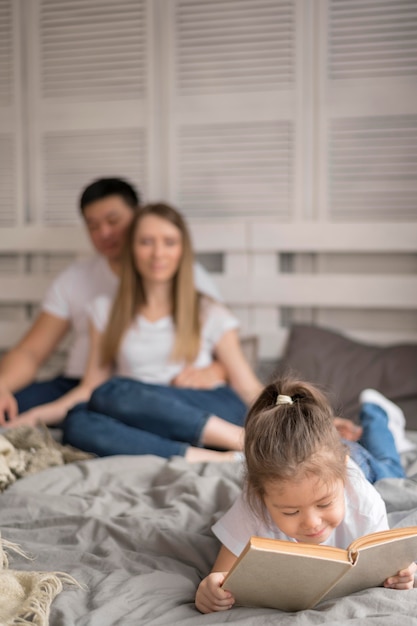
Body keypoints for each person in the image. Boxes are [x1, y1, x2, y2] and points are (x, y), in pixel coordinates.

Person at [10, 203, 264, 462]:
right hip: (140, 413)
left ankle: (252, 443)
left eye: (169, 242)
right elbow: (89, 388)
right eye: (146, 242)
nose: (158, 253)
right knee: (77, 421)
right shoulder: (104, 311)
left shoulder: (208, 310)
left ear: (182, 250)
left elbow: (248, 386)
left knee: (113, 391)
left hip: (209, 409)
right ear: (131, 249)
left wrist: (286, 418)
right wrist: (32, 416)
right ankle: (218, 459)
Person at [0, 179, 226, 424]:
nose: (104, 233)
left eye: (113, 221)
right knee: (14, 410)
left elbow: (224, 346)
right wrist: (2, 386)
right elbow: (31, 351)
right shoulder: (75, 279)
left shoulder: (180, 274)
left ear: (139, 218)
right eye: (93, 226)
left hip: (147, 390)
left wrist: (216, 371)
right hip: (80, 383)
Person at [195, 378, 416, 613]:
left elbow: (390, 567)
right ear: (260, 495)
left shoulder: (363, 499)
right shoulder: (254, 504)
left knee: (390, 469)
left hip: (357, 460)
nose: (312, 523)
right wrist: (211, 592)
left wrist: (404, 575)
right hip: (318, 460)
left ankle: (376, 412)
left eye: (324, 503)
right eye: (290, 511)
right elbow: (222, 578)